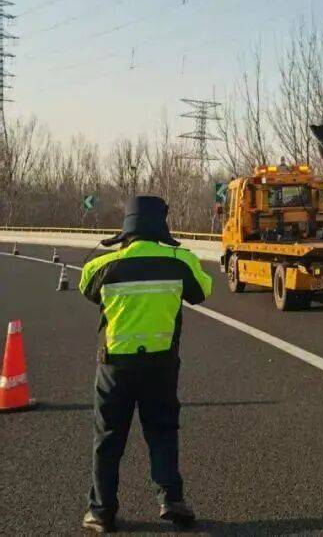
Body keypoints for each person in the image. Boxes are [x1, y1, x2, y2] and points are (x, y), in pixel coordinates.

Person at [78, 196, 213, 533]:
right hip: (161, 364)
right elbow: (203, 292)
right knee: (162, 431)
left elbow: (86, 289)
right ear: (161, 227)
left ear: (126, 229)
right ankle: (171, 500)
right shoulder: (180, 261)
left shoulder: (102, 266)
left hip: (114, 366)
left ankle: (101, 511)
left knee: (108, 439)